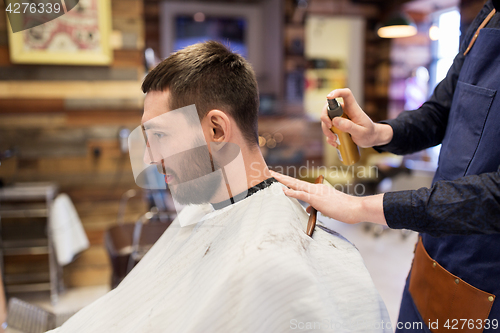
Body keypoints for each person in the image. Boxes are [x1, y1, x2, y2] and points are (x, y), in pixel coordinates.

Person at [47, 41, 391, 333]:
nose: (151, 159)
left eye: (161, 136)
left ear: (216, 130)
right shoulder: (206, 210)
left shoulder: (273, 263)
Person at [272, 1, 500, 331]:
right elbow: (439, 112)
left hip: (488, 276)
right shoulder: (487, 17)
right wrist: (377, 132)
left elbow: (493, 197)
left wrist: (359, 207)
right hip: (433, 251)